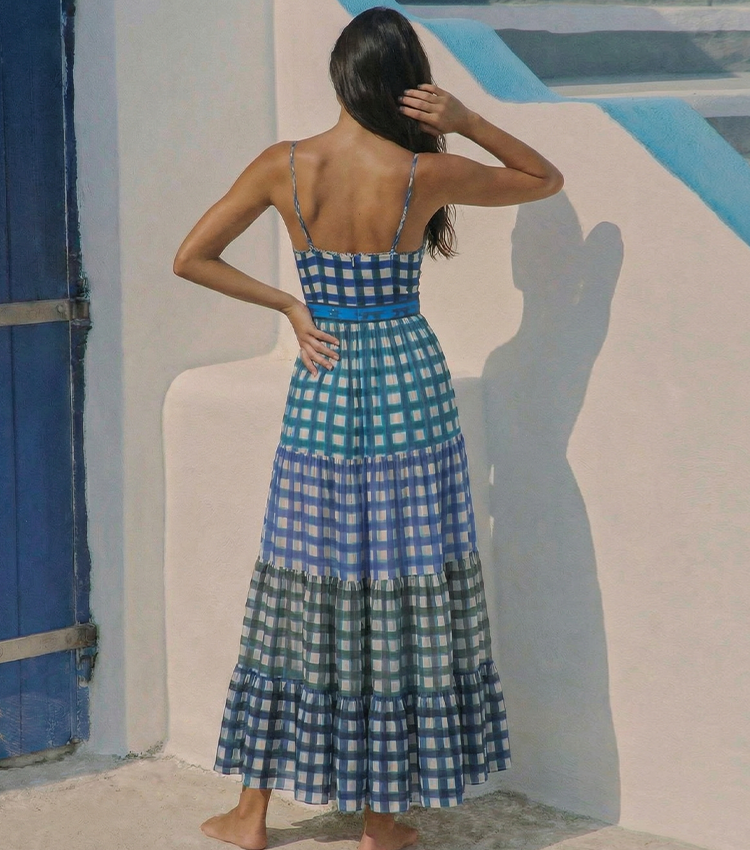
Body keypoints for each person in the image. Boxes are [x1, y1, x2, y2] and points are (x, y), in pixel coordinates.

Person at [173, 7, 563, 850]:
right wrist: (465, 123)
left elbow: (190, 256)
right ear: (403, 83)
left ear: (340, 78)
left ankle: (251, 814)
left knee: (300, 588)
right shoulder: (425, 172)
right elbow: (543, 179)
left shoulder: (283, 165)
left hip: (324, 377)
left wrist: (289, 303)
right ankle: (381, 823)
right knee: (399, 585)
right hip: (408, 387)